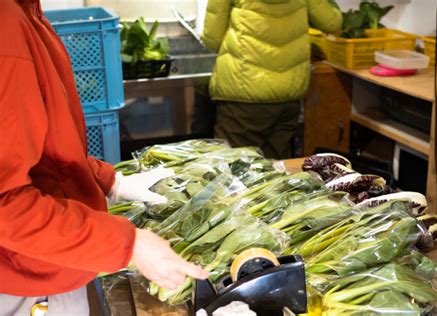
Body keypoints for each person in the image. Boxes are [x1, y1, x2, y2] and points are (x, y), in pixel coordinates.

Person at [0, 0, 207, 314]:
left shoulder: (22, 12)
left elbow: (43, 148)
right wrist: (128, 244)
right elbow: (6, 205)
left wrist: (111, 180)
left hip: (43, 267)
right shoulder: (6, 27)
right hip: (25, 281)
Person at [201, 0, 343, 159]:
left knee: (234, 168)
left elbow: (212, 40)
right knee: (276, 171)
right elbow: (332, 23)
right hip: (288, 92)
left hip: (243, 92)